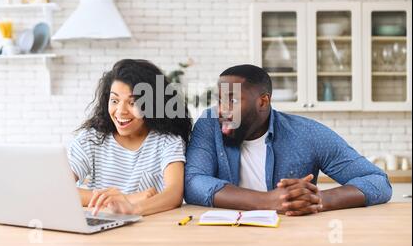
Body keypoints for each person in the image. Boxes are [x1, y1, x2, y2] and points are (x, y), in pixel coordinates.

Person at [184, 64, 392, 216]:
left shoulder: (307, 133)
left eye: (233, 100)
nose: (222, 110)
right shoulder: (209, 124)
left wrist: (320, 200)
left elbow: (378, 181)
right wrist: (267, 201)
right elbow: (193, 182)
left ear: (263, 102)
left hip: (290, 238)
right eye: (220, 100)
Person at [68, 59, 192, 216]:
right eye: (114, 101)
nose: (120, 111)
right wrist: (129, 198)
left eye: (133, 103)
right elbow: (59, 188)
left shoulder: (167, 142)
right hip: (100, 227)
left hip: (149, 230)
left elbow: (174, 194)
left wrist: (133, 209)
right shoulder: (90, 139)